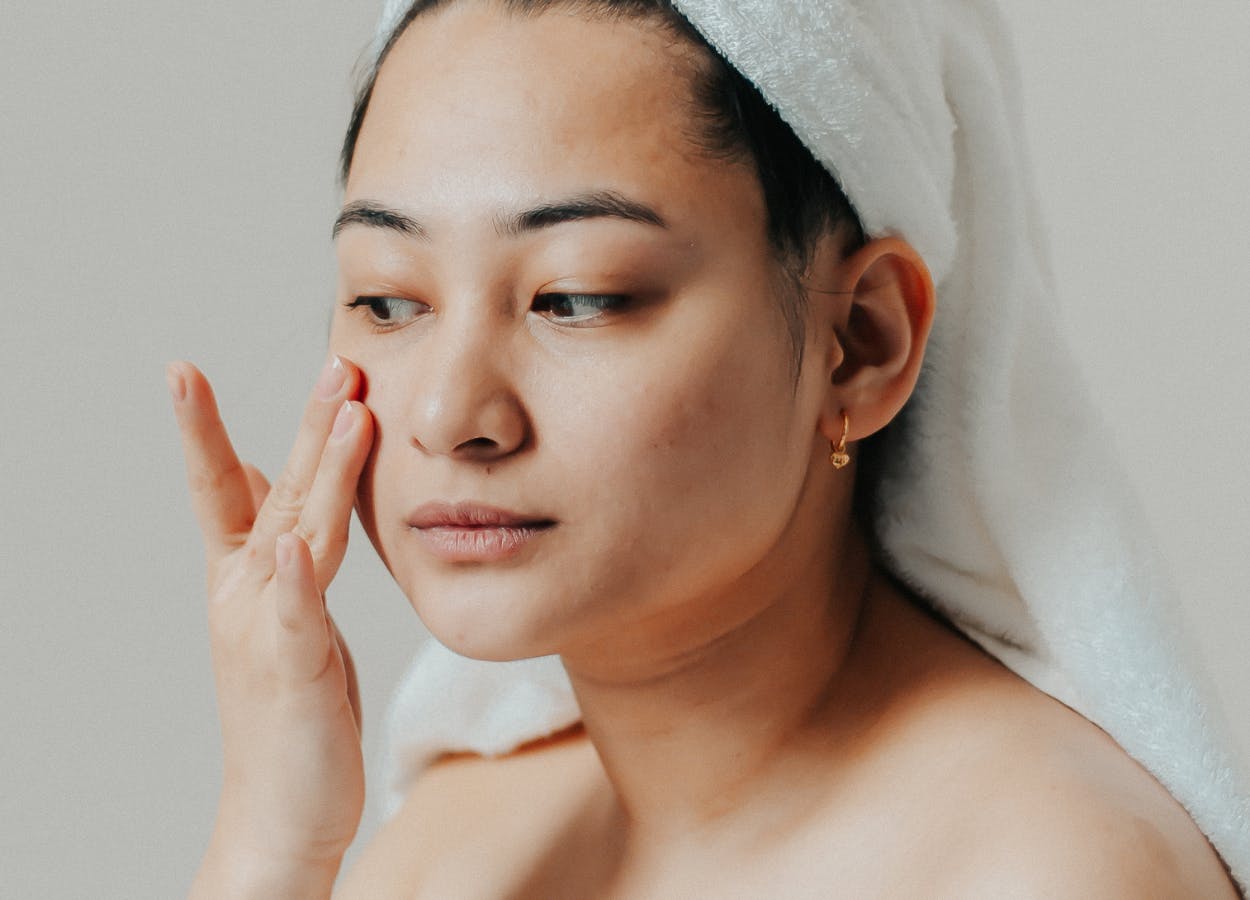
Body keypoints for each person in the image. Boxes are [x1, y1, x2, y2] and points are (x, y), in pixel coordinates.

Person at [169, 0, 1247, 896]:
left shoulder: (1043, 869)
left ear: (858, 343)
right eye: (387, 300)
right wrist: (270, 839)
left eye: (576, 297)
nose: (451, 415)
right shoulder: (455, 846)